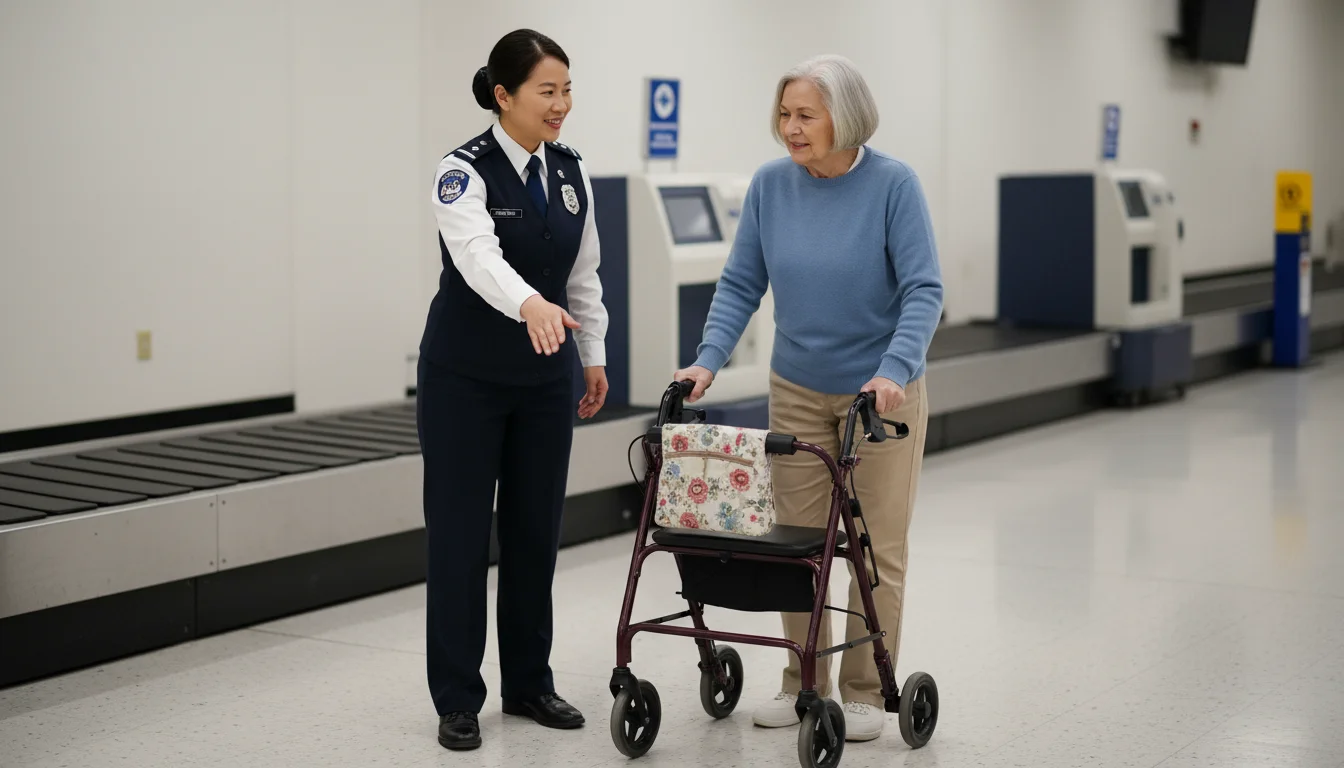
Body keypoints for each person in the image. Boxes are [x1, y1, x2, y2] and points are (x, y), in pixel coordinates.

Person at [673, 54, 942, 742]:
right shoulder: (771, 187)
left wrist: (893, 370)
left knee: (874, 548)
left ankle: (861, 691)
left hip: (879, 400)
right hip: (796, 388)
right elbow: (740, 285)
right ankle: (803, 682)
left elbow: (923, 291)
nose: (789, 129)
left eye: (804, 116)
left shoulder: (893, 185)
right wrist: (706, 363)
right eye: (783, 115)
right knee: (798, 547)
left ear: (844, 118)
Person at [416, 28, 608, 751]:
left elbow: (582, 274)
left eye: (566, 90)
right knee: (461, 539)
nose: (561, 105)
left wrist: (592, 353)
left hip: (543, 383)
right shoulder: (461, 172)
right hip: (463, 382)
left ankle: (530, 682)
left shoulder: (570, 171)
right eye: (546, 91)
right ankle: (459, 698)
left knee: (534, 533)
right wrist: (528, 303)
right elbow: (476, 257)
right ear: (504, 95)